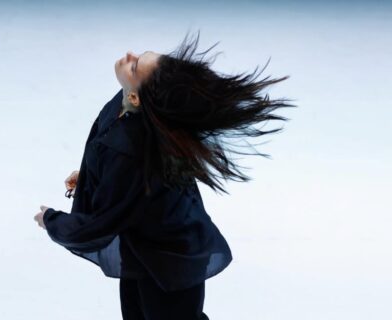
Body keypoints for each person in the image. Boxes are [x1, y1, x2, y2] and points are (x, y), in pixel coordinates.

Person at [33, 30, 296, 320]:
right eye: (140, 56)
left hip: (173, 261)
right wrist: (93, 175)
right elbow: (128, 175)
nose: (129, 56)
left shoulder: (133, 144)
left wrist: (51, 220)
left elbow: (99, 224)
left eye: (135, 67)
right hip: (142, 250)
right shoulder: (127, 107)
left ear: (137, 94)